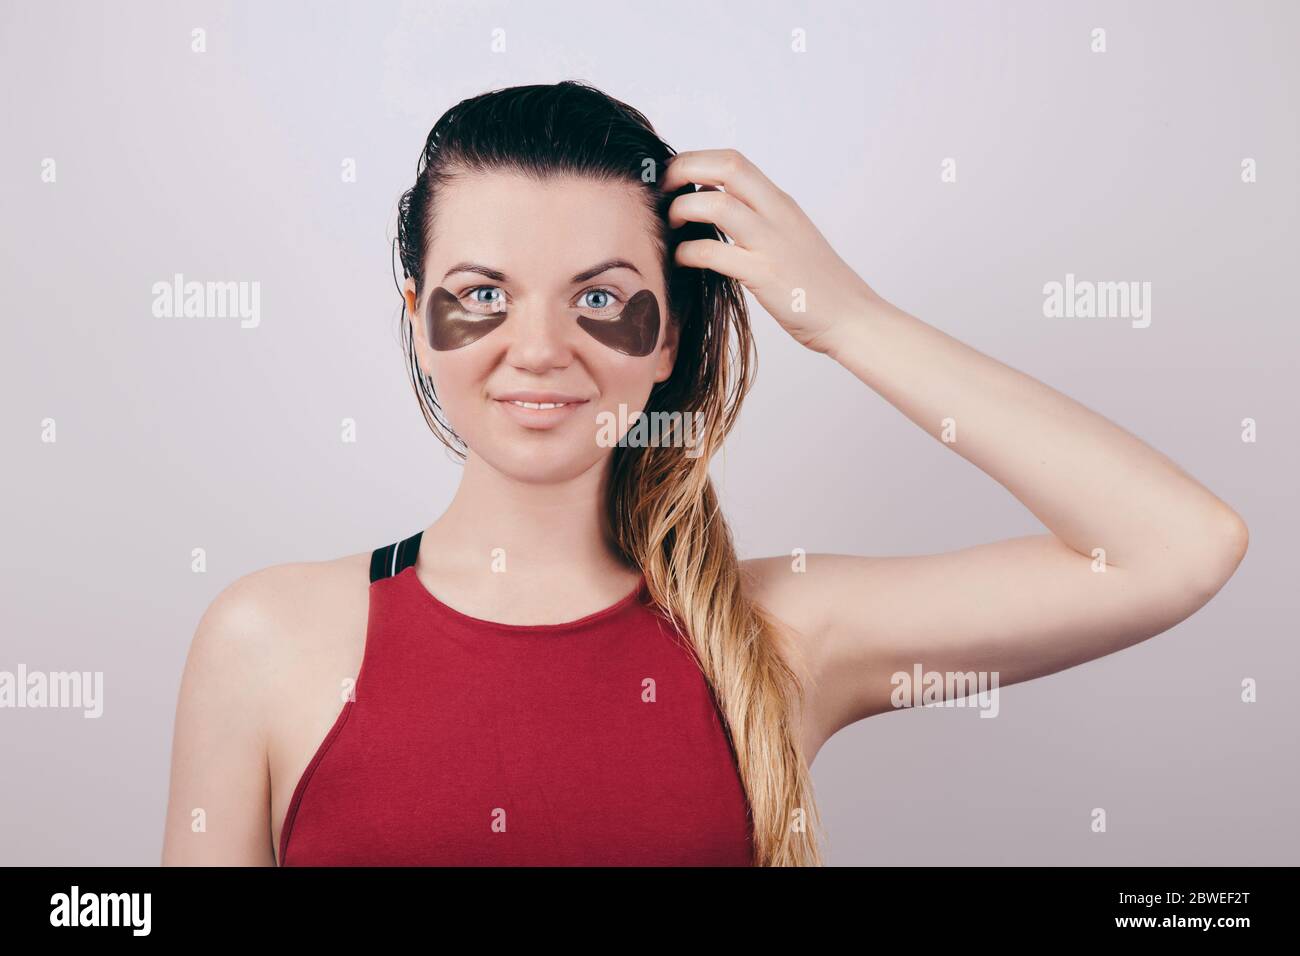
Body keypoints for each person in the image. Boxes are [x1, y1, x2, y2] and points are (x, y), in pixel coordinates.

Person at [161, 81, 1248, 867]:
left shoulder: (776, 634)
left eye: (599, 297)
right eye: (483, 292)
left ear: (671, 334)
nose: (538, 346)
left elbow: (1176, 546)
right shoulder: (266, 638)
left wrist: (849, 319)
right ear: (416, 314)